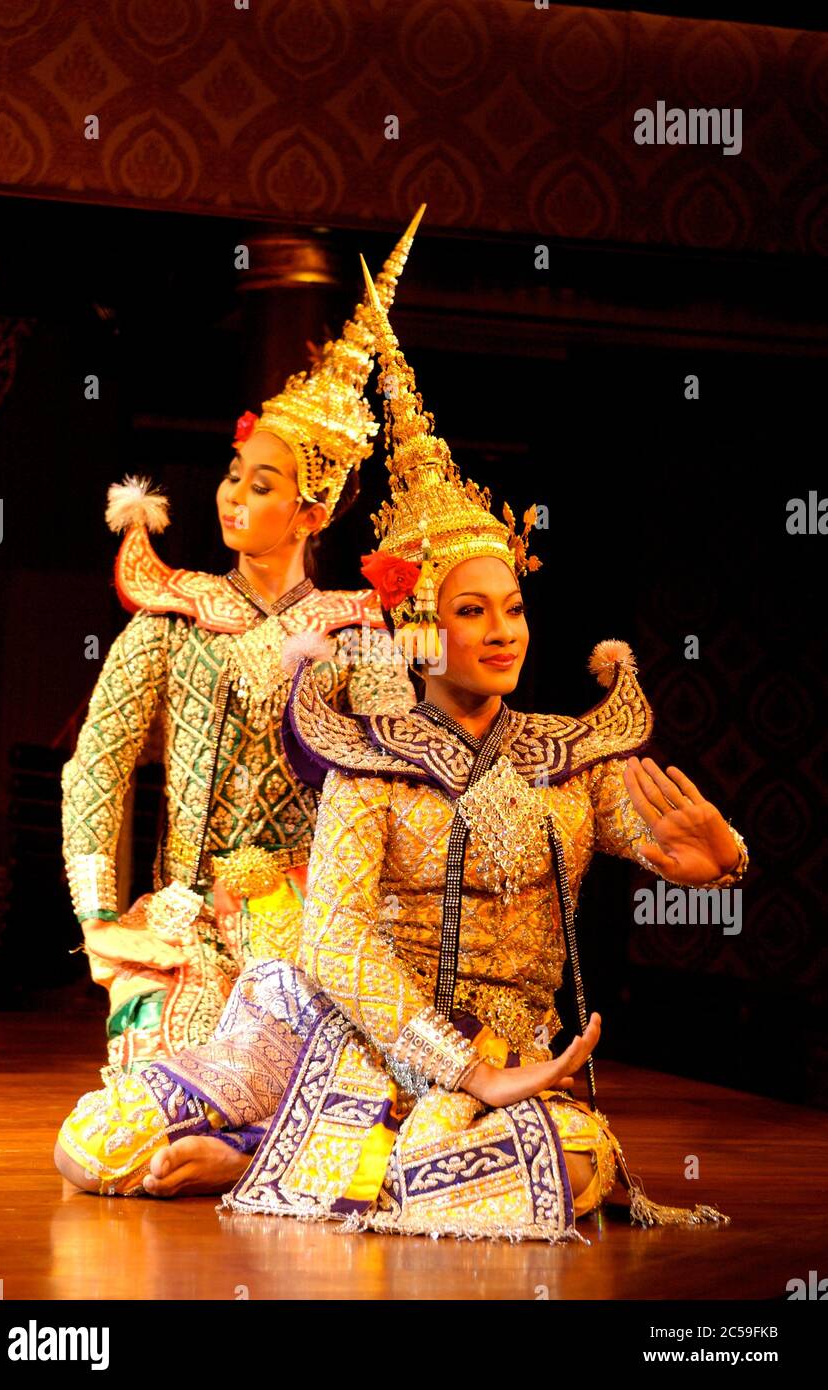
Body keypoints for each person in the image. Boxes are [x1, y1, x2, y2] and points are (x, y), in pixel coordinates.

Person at [55, 257, 747, 1241]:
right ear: (424, 623)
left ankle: (277, 1159)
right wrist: (96, 912)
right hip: (308, 1002)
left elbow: (646, 829)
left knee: (557, 1162)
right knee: (98, 1140)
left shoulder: (555, 756)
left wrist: (722, 862)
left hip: (476, 1063)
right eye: (474, 610)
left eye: (514, 607)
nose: (503, 630)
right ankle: (274, 1146)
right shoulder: (362, 756)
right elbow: (325, 935)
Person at [60, 212, 423, 1070]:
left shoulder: (355, 632)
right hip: (184, 922)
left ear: (312, 511)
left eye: (261, 486)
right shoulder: (171, 617)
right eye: (232, 476)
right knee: (155, 1099)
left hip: (310, 924)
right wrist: (100, 919)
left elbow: (403, 778)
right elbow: (97, 770)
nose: (232, 498)